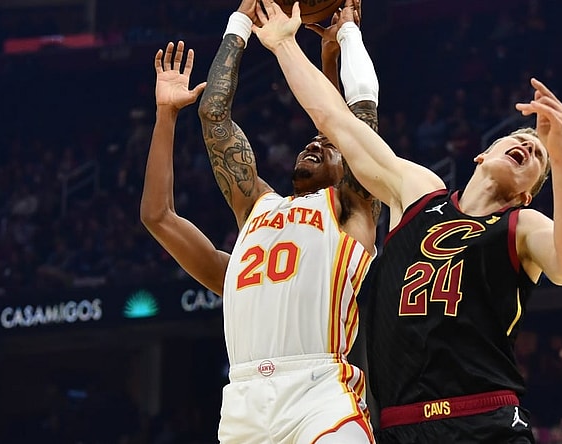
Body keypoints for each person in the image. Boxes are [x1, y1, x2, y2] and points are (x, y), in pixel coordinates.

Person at [253, 1, 562, 442]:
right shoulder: (417, 193)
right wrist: (284, 45)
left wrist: (561, 158)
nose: (529, 147)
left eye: (537, 156)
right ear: (482, 155)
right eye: (518, 140)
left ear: (527, 193)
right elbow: (336, 121)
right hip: (401, 425)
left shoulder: (522, 225)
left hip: (485, 420)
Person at [140, 0, 381, 441]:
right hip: (243, 400)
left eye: (328, 147)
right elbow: (213, 116)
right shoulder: (257, 207)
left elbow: (357, 118)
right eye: (312, 142)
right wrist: (240, 22)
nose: (315, 144)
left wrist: (349, 36)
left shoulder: (351, 210)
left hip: (320, 391)